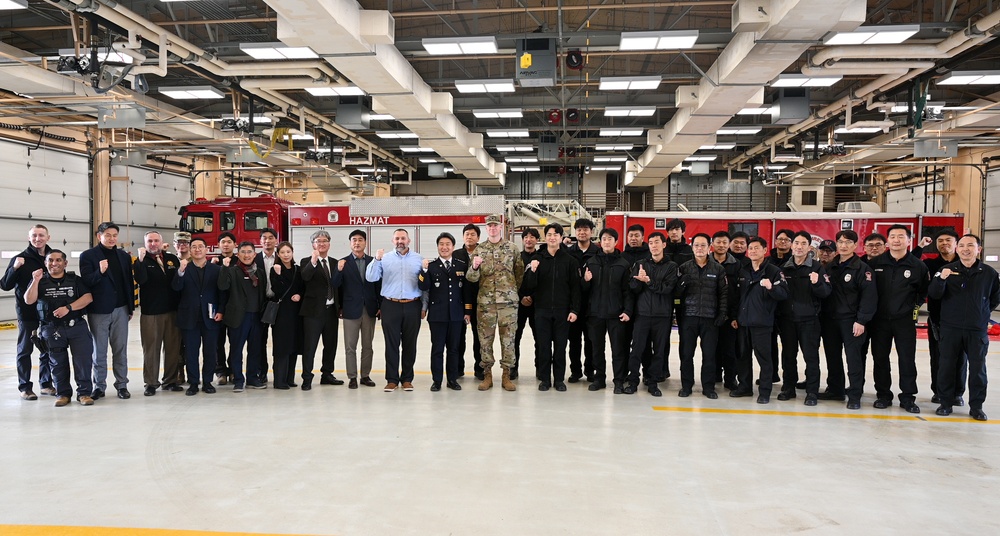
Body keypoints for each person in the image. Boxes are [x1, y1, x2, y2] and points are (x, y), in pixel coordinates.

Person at [928, 234, 1000, 421]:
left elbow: (995, 298)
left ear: (979, 249)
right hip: (950, 328)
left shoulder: (989, 273)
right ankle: (945, 403)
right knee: (946, 366)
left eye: (971, 245)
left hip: (976, 329)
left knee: (978, 369)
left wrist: (981, 312)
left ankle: (976, 406)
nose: (966, 249)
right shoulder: (946, 270)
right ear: (957, 249)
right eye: (962, 245)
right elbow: (934, 295)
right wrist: (941, 279)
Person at [868, 224, 929, 413]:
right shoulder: (876, 263)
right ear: (887, 241)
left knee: (907, 359)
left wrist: (912, 309)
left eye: (901, 236)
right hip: (879, 321)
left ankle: (908, 397)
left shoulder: (918, 266)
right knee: (880, 358)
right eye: (892, 236)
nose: (896, 240)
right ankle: (883, 395)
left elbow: (923, 292)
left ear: (909, 241)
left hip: (904, 321)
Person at [23, 250, 95, 407]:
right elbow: (29, 300)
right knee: (57, 363)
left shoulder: (75, 280)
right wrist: (35, 280)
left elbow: (88, 297)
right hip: (51, 329)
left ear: (65, 263)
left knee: (83, 361)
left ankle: (84, 394)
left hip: (76, 326)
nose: (54, 263)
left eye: (58, 260)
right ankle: (63, 394)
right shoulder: (40, 281)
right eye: (50, 260)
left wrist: (68, 308)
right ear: (45, 262)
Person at [467, 214, 525, 391]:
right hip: (486, 304)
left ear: (501, 227)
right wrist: (475, 266)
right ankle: (487, 375)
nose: (492, 228)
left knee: (508, 340)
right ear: (486, 229)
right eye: (489, 226)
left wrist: (510, 292)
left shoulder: (512, 248)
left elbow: (519, 274)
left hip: (508, 304)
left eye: (495, 225)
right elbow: (471, 277)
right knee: (485, 340)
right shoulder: (479, 250)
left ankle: (507, 375)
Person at [821, 230, 877, 409]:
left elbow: (869, 297)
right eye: (840, 242)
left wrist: (861, 321)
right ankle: (836, 389)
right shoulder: (829, 266)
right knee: (832, 356)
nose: (843, 245)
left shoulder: (862, 269)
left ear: (855, 245)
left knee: (853, 359)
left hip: (851, 321)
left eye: (847, 242)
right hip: (830, 320)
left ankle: (854, 394)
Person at [79, 222, 135, 400]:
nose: (112, 238)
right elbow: (86, 281)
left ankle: (122, 385)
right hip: (99, 310)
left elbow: (128, 283)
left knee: (120, 350)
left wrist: (131, 307)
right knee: (99, 350)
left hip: (121, 309)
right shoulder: (88, 256)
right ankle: (99, 386)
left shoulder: (123, 256)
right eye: (108, 235)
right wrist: (100, 272)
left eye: (114, 235)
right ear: (99, 236)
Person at [522, 223, 580, 392]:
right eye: (549, 234)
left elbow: (575, 289)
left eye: (556, 234)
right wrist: (532, 271)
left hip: (563, 311)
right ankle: (545, 379)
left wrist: (574, 310)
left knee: (560, 347)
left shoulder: (570, 261)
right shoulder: (538, 259)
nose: (552, 237)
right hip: (541, 311)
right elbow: (528, 287)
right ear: (545, 238)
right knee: (544, 346)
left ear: (561, 238)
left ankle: (559, 380)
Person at [776, 231, 831, 405]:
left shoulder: (817, 268)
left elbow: (826, 293)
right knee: (788, 356)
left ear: (809, 247)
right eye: (797, 243)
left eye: (803, 243)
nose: (799, 247)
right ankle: (788, 388)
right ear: (792, 245)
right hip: (787, 320)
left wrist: (817, 283)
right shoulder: (784, 268)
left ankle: (812, 392)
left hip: (809, 321)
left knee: (811, 357)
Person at [366, 229, 424, 392]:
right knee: (391, 344)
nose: (400, 241)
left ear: (409, 240)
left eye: (403, 238)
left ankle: (407, 379)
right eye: (397, 238)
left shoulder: (419, 259)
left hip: (413, 304)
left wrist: (424, 307)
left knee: (410, 344)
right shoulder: (384, 258)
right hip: (390, 305)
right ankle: (391, 379)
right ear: (392, 241)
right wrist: (376, 259)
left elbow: (425, 285)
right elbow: (371, 278)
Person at [732, 237, 787, 404]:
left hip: (762, 323)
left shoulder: (774, 271)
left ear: (765, 250)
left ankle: (764, 391)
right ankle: (745, 387)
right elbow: (737, 296)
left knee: (764, 359)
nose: (753, 251)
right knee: (743, 356)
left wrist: (771, 287)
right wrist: (735, 316)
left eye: (757, 248)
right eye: (751, 248)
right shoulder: (743, 271)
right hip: (743, 322)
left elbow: (783, 294)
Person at [1, 224, 54, 400]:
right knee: (25, 350)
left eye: (41, 235)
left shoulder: (53, 257)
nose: (37, 239)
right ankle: (25, 387)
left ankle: (46, 384)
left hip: (48, 312)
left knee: (47, 348)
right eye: (34, 236)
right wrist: (14, 268)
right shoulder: (20, 259)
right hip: (27, 313)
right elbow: (5, 285)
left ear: (48, 237)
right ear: (29, 237)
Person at [676, 233, 728, 399]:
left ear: (709, 247)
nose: (699, 248)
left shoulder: (718, 269)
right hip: (688, 318)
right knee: (686, 354)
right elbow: (676, 295)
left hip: (709, 319)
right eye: (696, 245)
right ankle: (686, 386)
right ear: (692, 247)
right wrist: (679, 313)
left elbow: (723, 294)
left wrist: (722, 314)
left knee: (709, 355)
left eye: (703, 245)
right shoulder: (684, 268)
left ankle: (708, 387)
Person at [581, 228, 633, 392]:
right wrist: (586, 282)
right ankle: (599, 379)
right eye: (604, 239)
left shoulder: (623, 264)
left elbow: (628, 291)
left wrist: (627, 310)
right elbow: (583, 290)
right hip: (595, 314)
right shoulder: (591, 262)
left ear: (616, 242)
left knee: (618, 350)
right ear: (600, 241)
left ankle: (618, 381)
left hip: (615, 314)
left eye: (610, 239)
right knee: (597, 349)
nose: (607, 242)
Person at [172, 238, 226, 396]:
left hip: (210, 316)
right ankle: (193, 382)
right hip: (189, 317)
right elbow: (176, 288)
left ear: (206, 249)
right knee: (191, 352)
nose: (197, 250)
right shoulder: (183, 268)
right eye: (193, 247)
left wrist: (221, 310)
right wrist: (180, 272)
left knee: (210, 351)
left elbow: (221, 292)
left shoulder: (216, 269)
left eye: (200, 247)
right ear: (189, 250)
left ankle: (208, 381)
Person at [626, 232, 677, 397]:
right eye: (651, 243)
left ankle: (653, 382)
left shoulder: (671, 267)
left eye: (657, 242)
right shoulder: (640, 264)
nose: (653, 245)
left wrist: (648, 281)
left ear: (664, 245)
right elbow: (632, 288)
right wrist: (638, 281)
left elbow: (667, 289)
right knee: (637, 349)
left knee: (659, 351)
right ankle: (633, 380)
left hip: (662, 315)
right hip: (642, 314)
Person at [132, 231, 183, 396]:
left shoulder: (172, 259)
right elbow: (141, 280)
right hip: (151, 313)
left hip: (172, 311)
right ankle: (151, 383)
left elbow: (178, 282)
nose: (153, 244)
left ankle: (170, 380)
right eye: (149, 241)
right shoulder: (141, 261)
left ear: (162, 243)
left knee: (172, 349)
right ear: (145, 243)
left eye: (156, 241)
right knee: (151, 349)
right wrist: (139, 260)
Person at [419, 232, 467, 391]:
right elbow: (423, 287)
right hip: (437, 315)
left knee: (454, 349)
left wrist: (467, 311)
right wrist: (424, 271)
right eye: (441, 244)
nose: (444, 247)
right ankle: (437, 380)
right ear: (437, 247)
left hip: (456, 314)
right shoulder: (431, 267)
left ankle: (452, 379)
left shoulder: (461, 265)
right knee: (437, 349)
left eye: (448, 244)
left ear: (453, 247)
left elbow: (466, 290)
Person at [923, 229, 966, 404]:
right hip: (937, 320)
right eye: (940, 241)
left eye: (948, 240)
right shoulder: (930, 265)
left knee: (960, 359)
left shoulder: (965, 265)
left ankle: (957, 393)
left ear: (956, 243)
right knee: (938, 357)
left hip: (962, 320)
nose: (944, 244)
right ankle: (939, 391)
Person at [218, 241, 267, 391]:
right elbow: (222, 286)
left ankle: (252, 378)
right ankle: (238, 379)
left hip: (257, 317)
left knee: (255, 349)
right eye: (243, 252)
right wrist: (224, 268)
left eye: (249, 252)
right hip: (238, 317)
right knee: (236, 349)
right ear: (238, 255)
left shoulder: (260, 273)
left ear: (254, 254)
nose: (246, 255)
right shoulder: (232, 271)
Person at [298, 230, 344, 390]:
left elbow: (339, 286)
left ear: (329, 244)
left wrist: (341, 307)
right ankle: (307, 377)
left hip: (331, 311)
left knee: (331, 345)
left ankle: (327, 374)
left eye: (325, 241)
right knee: (310, 346)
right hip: (312, 312)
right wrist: (314, 261)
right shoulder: (306, 262)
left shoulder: (334, 262)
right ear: (313, 245)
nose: (322, 243)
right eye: (318, 241)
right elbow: (305, 277)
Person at [339, 230, 380, 389]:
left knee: (368, 345)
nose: (357, 243)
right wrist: (339, 270)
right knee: (350, 346)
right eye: (354, 240)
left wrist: (380, 306)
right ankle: (352, 377)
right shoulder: (343, 262)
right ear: (350, 243)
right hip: (350, 310)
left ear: (365, 243)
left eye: (360, 240)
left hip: (369, 309)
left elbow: (379, 285)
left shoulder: (373, 261)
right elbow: (337, 285)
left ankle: (365, 375)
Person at [566, 218, 599, 383]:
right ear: (575, 232)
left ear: (591, 232)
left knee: (591, 340)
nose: (582, 232)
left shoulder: (598, 252)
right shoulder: (568, 252)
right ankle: (575, 371)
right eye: (579, 229)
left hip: (592, 304)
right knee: (574, 341)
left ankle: (590, 370)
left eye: (585, 229)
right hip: (573, 304)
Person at [269, 241, 303, 390]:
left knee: (293, 346)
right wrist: (277, 275)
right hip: (281, 313)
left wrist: (299, 295)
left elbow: (302, 287)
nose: (286, 255)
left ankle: (290, 378)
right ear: (278, 254)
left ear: (292, 252)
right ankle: (279, 380)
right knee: (282, 347)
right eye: (282, 252)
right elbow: (277, 290)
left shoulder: (298, 269)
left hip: (296, 312)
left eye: (288, 252)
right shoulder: (275, 269)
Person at [711, 231, 742, 391]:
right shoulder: (705, 262)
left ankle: (730, 379)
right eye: (718, 242)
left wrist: (735, 315)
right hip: (709, 314)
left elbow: (739, 293)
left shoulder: (736, 264)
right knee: (710, 348)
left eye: (724, 242)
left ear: (728, 244)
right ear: (712, 244)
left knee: (729, 349)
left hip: (729, 315)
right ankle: (714, 375)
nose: (721, 245)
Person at [664, 218, 693, 381]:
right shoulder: (662, 248)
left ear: (683, 231)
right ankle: (662, 370)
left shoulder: (689, 251)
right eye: (671, 229)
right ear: (667, 232)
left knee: (685, 337)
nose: (674, 232)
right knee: (662, 337)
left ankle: (685, 372)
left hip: (685, 300)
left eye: (677, 229)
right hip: (665, 298)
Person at [453, 223, 483, 379]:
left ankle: (480, 370)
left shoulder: (484, 253)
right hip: (459, 302)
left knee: (480, 339)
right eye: (467, 234)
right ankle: (458, 369)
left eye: (472, 234)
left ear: (478, 237)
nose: (469, 237)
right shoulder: (456, 254)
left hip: (481, 301)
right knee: (459, 338)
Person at [514, 228, 540, 380]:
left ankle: (540, 369)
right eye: (526, 237)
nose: (529, 240)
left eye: (532, 237)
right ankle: (513, 368)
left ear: (537, 240)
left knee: (540, 339)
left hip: (537, 305)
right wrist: (521, 297)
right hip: (519, 304)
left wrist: (532, 297)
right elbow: (511, 281)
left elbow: (544, 282)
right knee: (515, 338)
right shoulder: (517, 258)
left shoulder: (542, 257)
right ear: (523, 240)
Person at [254, 227, 279, 383]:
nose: (268, 240)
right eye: (264, 238)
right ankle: (261, 372)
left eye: (271, 237)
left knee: (279, 340)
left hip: (278, 303)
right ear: (260, 241)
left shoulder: (283, 258)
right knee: (260, 340)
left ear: (276, 240)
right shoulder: (254, 259)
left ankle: (280, 373)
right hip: (260, 305)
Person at [212, 231, 237, 385]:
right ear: (219, 245)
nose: (226, 244)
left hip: (234, 308)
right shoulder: (213, 263)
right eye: (223, 242)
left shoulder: (240, 261)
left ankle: (234, 370)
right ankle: (220, 371)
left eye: (229, 242)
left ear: (235, 244)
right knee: (217, 342)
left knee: (235, 341)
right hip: (217, 308)